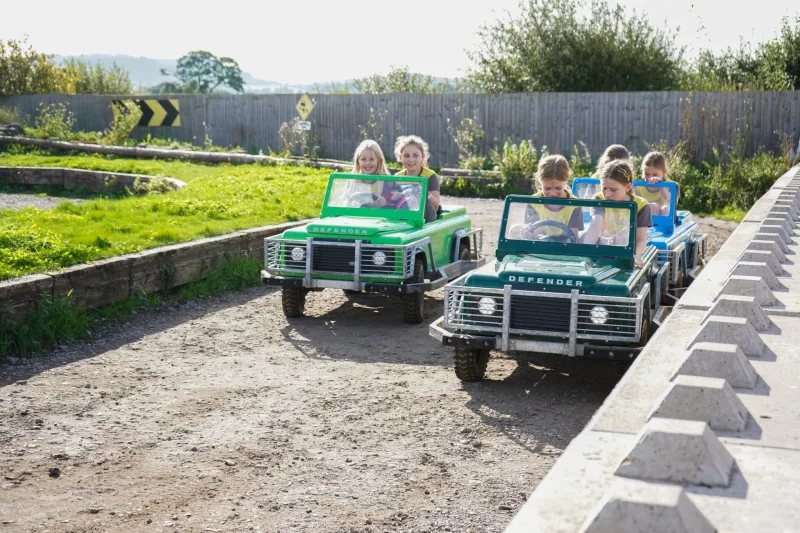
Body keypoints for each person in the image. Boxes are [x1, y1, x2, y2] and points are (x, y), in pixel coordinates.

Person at [582, 159, 652, 268]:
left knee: (623, 236)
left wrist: (637, 256)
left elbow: (641, 238)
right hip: (603, 250)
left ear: (627, 187)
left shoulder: (641, 205)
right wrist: (584, 253)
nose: (607, 194)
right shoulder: (599, 199)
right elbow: (595, 228)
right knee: (605, 235)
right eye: (604, 188)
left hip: (626, 253)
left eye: (613, 190)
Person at [523, 155, 584, 240]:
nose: (553, 194)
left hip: (564, 247)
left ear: (566, 181)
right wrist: (527, 231)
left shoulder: (575, 205)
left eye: (558, 188)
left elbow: (573, 234)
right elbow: (531, 230)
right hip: (539, 245)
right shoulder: (534, 202)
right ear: (540, 182)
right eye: (547, 188)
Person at [393, 135, 440, 223]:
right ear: (400, 157)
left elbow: (436, 204)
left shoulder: (430, 175)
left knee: (429, 206)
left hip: (425, 217)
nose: (411, 159)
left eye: (415, 155)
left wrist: (425, 194)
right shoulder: (397, 177)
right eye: (406, 156)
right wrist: (394, 196)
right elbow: (392, 199)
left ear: (422, 156)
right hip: (404, 215)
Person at [349, 139, 392, 206]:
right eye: (363, 159)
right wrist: (351, 203)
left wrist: (385, 201)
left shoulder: (385, 181)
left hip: (378, 215)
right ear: (358, 161)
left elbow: (392, 203)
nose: (367, 163)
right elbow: (346, 200)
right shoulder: (353, 180)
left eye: (372, 159)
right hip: (356, 214)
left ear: (379, 161)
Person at [639, 151, 676, 217]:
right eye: (647, 174)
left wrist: (661, 185)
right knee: (653, 207)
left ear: (664, 172)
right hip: (645, 222)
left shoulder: (670, 185)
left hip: (665, 219)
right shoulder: (639, 187)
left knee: (664, 209)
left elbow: (670, 201)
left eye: (655, 175)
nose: (650, 178)